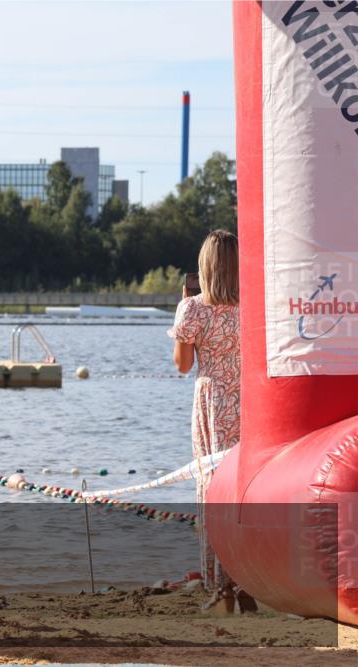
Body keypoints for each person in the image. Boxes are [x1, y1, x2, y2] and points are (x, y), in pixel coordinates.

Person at [168, 230, 256, 613]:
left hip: (213, 403)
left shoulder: (193, 308)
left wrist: (182, 311)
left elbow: (183, 365)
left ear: (205, 267)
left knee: (212, 490)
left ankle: (221, 588)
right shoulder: (253, 304)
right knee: (244, 491)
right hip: (249, 402)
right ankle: (248, 582)